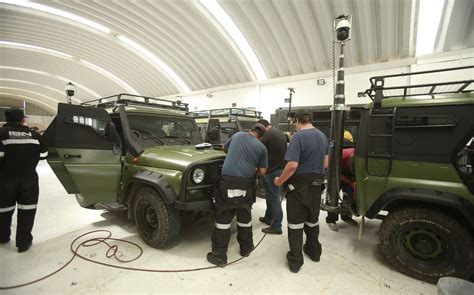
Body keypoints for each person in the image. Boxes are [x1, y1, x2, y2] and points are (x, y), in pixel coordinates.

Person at [274, 112, 329, 273]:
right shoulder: (322, 136)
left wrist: (279, 181)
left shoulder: (298, 137)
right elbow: (325, 163)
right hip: (316, 185)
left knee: (296, 223)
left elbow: (292, 166)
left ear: (297, 121)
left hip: (299, 187)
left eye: (294, 122)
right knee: (312, 220)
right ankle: (314, 252)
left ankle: (296, 260)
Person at [207, 123, 268, 266]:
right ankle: (246, 248)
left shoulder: (238, 135)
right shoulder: (262, 148)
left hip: (227, 182)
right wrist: (252, 171)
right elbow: (263, 171)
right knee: (245, 216)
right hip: (247, 184)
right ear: (261, 137)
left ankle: (219, 256)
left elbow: (224, 148)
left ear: (251, 130)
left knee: (224, 218)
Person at [0, 108, 48, 252]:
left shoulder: (1, 134)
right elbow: (44, 154)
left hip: (6, 178)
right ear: (22, 119)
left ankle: (3, 237)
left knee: (4, 210)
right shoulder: (34, 134)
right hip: (29, 178)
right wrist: (31, 158)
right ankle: (23, 243)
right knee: (27, 210)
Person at [256, 119, 287, 235]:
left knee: (274, 198)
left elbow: (257, 147)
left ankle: (276, 226)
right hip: (279, 169)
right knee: (270, 196)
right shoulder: (279, 132)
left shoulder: (268, 134)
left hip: (273, 170)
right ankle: (269, 218)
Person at [326, 130, 358, 231]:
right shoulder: (342, 155)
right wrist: (349, 181)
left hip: (349, 173)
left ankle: (346, 216)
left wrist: (354, 183)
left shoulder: (359, 156)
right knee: (333, 195)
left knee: (349, 194)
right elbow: (334, 172)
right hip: (335, 172)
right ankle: (331, 220)